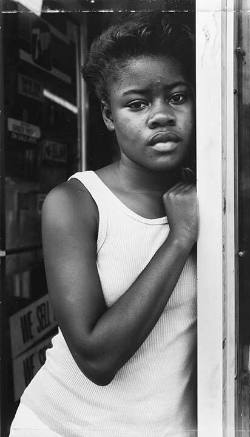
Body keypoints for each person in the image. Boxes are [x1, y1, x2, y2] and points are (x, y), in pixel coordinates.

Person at [9, 12, 197, 437]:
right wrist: (179, 237)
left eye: (178, 97)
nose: (161, 115)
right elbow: (96, 359)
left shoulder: (212, 200)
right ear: (109, 116)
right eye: (136, 104)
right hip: (61, 427)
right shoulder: (76, 203)